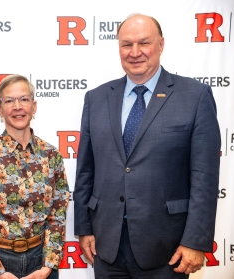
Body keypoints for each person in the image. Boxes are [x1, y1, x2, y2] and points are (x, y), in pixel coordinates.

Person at [73, 14, 220, 278]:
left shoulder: (195, 96)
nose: (135, 52)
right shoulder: (96, 99)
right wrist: (84, 228)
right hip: (107, 247)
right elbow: (86, 170)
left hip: (168, 250)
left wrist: (196, 241)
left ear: (161, 44)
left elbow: (204, 177)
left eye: (144, 43)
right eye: (126, 44)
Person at [0, 75, 70, 279]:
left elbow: (58, 213)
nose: (17, 106)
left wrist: (47, 267)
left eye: (24, 99)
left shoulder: (51, 155)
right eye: (9, 101)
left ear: (34, 106)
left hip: (40, 261)